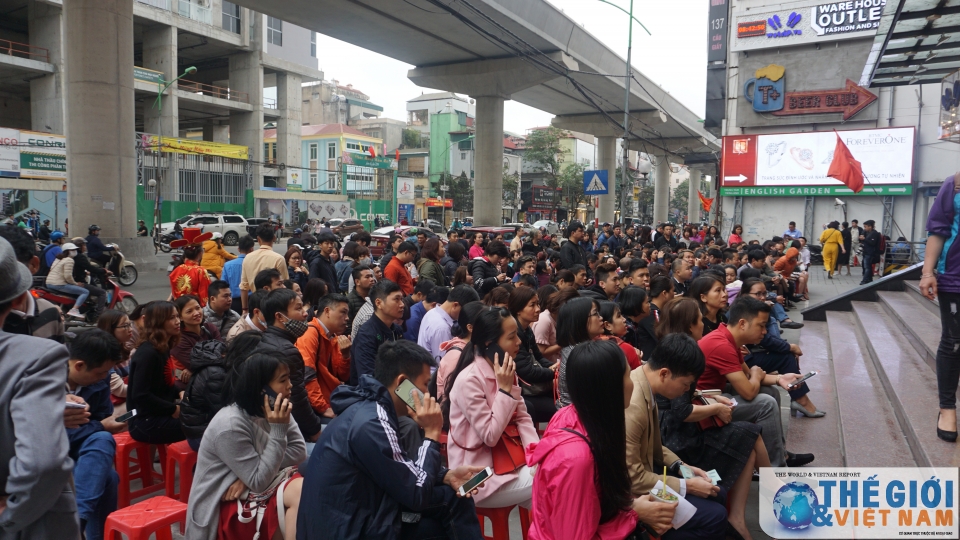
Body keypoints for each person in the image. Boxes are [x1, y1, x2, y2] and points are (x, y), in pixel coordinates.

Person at [298, 340, 485, 539]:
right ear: (402, 383)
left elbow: (396, 468)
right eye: (424, 385)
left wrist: (444, 476)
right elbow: (416, 493)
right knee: (440, 521)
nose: (427, 394)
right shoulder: (372, 421)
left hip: (361, 512)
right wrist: (432, 434)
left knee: (453, 500)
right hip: (350, 529)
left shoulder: (371, 407)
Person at [528, 340, 678, 539]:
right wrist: (634, 514)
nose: (633, 381)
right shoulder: (576, 460)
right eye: (628, 374)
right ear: (610, 388)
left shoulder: (575, 415)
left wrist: (631, 508)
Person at [0, 236, 78, 538]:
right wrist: (10, 516)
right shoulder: (35, 357)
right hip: (28, 525)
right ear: (19, 298)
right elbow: (43, 462)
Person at [185, 351, 306, 540]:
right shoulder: (231, 424)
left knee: (309, 487)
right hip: (223, 506)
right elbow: (259, 481)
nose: (290, 385)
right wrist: (278, 432)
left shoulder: (276, 407)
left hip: (255, 487)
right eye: (283, 380)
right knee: (301, 492)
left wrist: (247, 475)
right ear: (261, 389)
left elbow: (299, 451)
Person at [625, 334, 730, 540]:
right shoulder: (635, 404)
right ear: (664, 373)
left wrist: (683, 467)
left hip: (648, 476)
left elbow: (655, 446)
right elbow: (634, 479)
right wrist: (687, 485)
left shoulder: (646, 382)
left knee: (718, 492)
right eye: (686, 384)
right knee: (715, 516)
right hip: (637, 493)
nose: (686, 390)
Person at [698, 296, 813, 467]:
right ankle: (775, 468)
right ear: (743, 323)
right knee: (765, 403)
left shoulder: (729, 338)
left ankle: (778, 454)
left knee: (771, 392)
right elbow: (749, 391)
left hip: (718, 393)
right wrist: (756, 375)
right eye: (761, 325)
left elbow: (750, 376)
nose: (765, 331)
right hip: (703, 404)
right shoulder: (721, 344)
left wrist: (780, 378)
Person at [444, 306, 539, 509]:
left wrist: (535, 455)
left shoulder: (504, 369)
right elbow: (490, 435)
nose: (519, 342)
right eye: (512, 337)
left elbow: (522, 417)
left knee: (554, 500)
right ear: (490, 344)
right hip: (477, 478)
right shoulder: (469, 380)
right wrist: (504, 392)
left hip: (512, 464)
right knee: (551, 480)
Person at [65, 329, 125, 540]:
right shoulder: (45, 382)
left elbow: (101, 416)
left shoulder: (101, 378)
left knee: (103, 447)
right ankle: (79, 526)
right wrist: (100, 426)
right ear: (79, 365)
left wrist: (100, 426)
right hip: (49, 454)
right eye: (100, 373)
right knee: (107, 476)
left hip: (84, 450)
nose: (104, 377)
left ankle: (77, 525)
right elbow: (57, 436)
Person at [739, 279, 822, 418]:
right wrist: (789, 347)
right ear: (744, 294)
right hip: (744, 360)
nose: (762, 297)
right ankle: (801, 400)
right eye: (757, 294)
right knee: (785, 357)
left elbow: (767, 337)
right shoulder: (743, 312)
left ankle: (800, 399)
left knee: (785, 354)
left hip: (750, 354)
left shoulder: (754, 309)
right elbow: (764, 339)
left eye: (764, 293)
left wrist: (787, 347)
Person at [256, 288, 323, 445]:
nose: (305, 313)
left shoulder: (268, 338)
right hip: (283, 431)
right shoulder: (286, 351)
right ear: (280, 317)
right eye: (298, 308)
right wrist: (315, 430)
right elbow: (297, 398)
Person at [921, 176, 960, 441]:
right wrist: (927, 272)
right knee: (954, 342)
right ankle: (947, 408)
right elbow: (938, 230)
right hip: (956, 278)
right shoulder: (955, 183)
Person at [127, 301, 187, 444]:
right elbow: (141, 395)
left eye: (177, 316)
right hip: (144, 422)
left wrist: (179, 392)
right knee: (202, 427)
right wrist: (172, 409)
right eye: (171, 318)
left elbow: (163, 384)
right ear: (158, 322)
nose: (178, 321)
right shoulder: (147, 354)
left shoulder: (162, 347)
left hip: (159, 413)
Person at [296, 294, 351, 421]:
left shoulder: (334, 336)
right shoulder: (310, 333)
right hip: (317, 406)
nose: (347, 318)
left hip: (332, 398)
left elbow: (342, 376)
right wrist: (323, 408)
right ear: (327, 311)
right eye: (343, 312)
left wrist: (346, 355)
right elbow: (307, 376)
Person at [508, 286, 558, 424]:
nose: (538, 309)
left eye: (538, 304)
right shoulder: (515, 333)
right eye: (532, 305)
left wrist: (554, 367)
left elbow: (539, 357)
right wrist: (552, 371)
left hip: (534, 388)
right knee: (560, 409)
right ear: (518, 309)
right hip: (524, 392)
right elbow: (526, 372)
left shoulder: (527, 330)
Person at [351, 280, 405, 386]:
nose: (402, 305)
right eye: (396, 300)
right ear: (379, 303)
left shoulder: (397, 330)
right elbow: (367, 378)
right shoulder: (366, 335)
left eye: (401, 299)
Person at [556, 297, 604, 408]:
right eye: (595, 313)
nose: (601, 318)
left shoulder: (575, 348)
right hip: (580, 418)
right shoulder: (581, 355)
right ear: (580, 319)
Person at [170, 295, 222, 390]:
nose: (196, 313)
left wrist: (194, 369)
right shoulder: (178, 339)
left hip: (214, 379)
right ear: (180, 317)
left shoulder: (210, 328)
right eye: (189, 311)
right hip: (187, 386)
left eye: (198, 308)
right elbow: (194, 363)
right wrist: (194, 368)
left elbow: (224, 353)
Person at [417, 284, 480, 361]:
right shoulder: (442, 328)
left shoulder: (432, 312)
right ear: (455, 305)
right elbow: (444, 361)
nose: (467, 316)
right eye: (466, 311)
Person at [241, 224, 290, 315]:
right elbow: (285, 285)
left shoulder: (247, 257)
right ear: (274, 238)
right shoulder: (278, 259)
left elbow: (244, 286)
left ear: (258, 239)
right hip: (274, 305)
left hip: (255, 304)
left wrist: (244, 309)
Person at [635, 276, 676, 370]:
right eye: (672, 291)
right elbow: (664, 338)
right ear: (664, 293)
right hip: (652, 365)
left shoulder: (660, 311)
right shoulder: (652, 313)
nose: (674, 294)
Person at [533, 287, 580, 364]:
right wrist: (566, 342)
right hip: (548, 368)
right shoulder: (544, 320)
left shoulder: (559, 318)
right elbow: (542, 352)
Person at [170, 230, 214, 306]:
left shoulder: (176, 270)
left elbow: (174, 294)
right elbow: (205, 297)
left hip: (179, 310)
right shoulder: (200, 271)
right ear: (200, 253)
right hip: (194, 310)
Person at [45, 242, 88, 319]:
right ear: (67, 251)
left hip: (49, 283)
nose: (75, 251)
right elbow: (68, 276)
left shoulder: (58, 259)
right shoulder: (69, 260)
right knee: (85, 291)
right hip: (58, 284)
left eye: (75, 249)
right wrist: (75, 283)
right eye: (72, 250)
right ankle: (74, 310)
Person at [598, 300, 642, 369]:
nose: (624, 319)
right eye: (619, 316)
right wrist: (638, 360)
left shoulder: (591, 344)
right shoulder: (626, 349)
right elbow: (637, 378)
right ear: (607, 325)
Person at [223, 234, 254, 314]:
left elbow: (223, 284)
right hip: (251, 301)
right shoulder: (254, 264)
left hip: (233, 302)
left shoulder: (228, 265)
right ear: (251, 249)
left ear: (238, 249)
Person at [346, 265, 375, 336]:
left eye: (371, 276)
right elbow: (347, 326)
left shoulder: (375, 297)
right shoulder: (349, 301)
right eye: (367, 277)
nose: (372, 279)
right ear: (357, 282)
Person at [859, 219, 882, 285]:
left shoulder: (874, 233)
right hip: (866, 251)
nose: (864, 228)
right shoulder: (867, 233)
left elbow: (872, 243)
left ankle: (865, 280)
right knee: (865, 266)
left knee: (867, 267)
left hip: (870, 252)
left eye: (865, 227)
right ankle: (869, 279)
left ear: (870, 226)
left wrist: (865, 239)